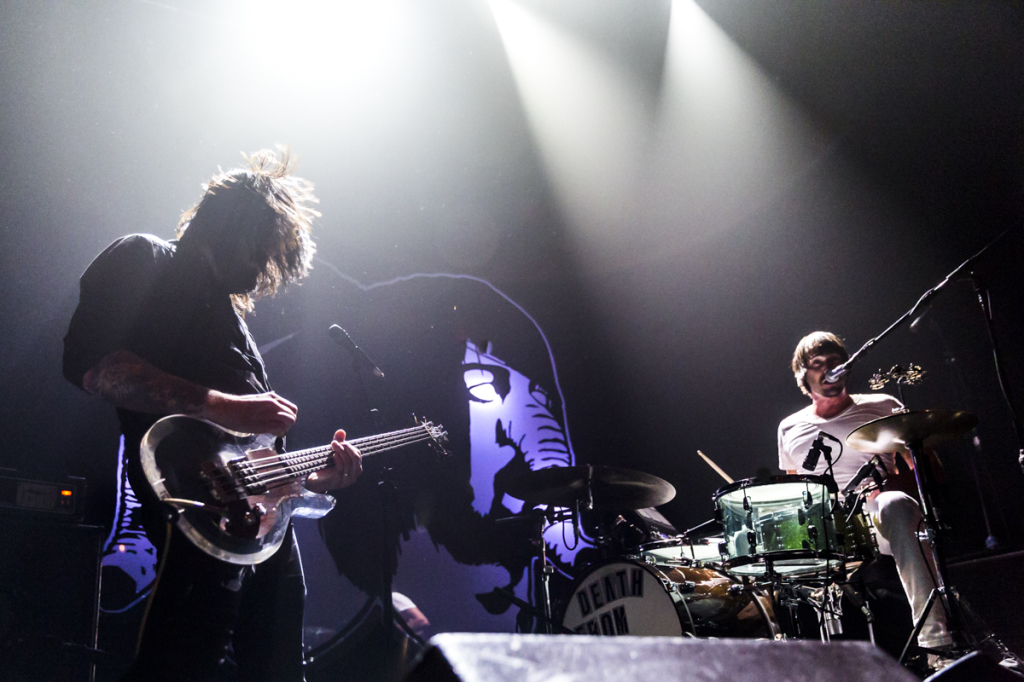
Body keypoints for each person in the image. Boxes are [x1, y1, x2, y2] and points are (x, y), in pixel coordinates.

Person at [62, 149, 363, 682]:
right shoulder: (143, 259)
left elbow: (254, 452)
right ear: (227, 226)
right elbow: (90, 366)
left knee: (276, 670)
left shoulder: (234, 324)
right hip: (194, 505)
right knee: (179, 664)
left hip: (265, 524)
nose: (260, 271)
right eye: (259, 252)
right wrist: (227, 405)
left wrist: (310, 478)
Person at [777, 331, 952, 656]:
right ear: (803, 375)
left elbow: (928, 470)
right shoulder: (788, 426)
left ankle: (938, 645)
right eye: (818, 364)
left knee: (894, 504)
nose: (830, 370)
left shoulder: (882, 404)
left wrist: (894, 488)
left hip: (876, 518)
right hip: (826, 530)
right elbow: (794, 489)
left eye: (836, 362)